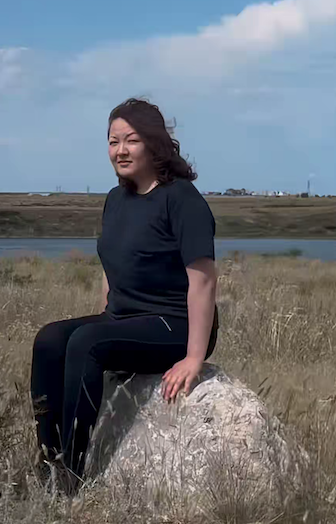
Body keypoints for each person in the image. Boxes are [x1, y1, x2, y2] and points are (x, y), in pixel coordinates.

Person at [30, 97, 220, 492]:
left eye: (130, 140)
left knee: (86, 344)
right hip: (127, 316)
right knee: (50, 339)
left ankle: (72, 474)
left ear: (153, 144)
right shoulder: (116, 200)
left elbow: (203, 280)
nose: (120, 150)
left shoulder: (181, 199)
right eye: (113, 141)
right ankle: (49, 460)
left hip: (174, 324)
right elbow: (111, 265)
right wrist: (105, 318)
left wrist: (194, 357)